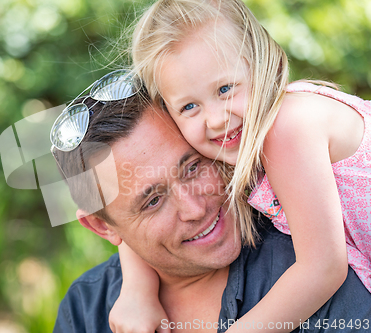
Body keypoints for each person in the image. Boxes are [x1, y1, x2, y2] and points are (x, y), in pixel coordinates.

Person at [113, 0, 371, 332]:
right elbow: (129, 212)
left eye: (224, 89)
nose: (216, 118)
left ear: (261, 65)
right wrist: (137, 289)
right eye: (189, 105)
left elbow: (323, 268)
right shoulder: (241, 141)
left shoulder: (286, 129)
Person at [51, 71, 371, 333]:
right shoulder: (86, 310)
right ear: (100, 225)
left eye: (192, 168)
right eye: (152, 202)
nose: (195, 209)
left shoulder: (304, 266)